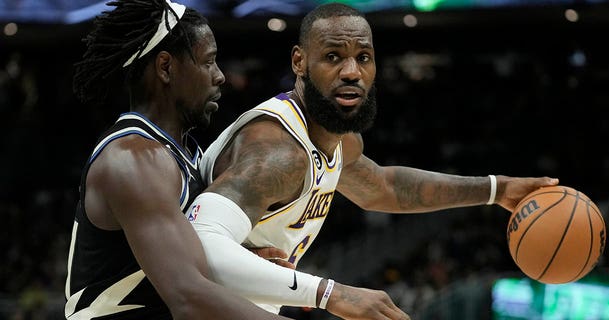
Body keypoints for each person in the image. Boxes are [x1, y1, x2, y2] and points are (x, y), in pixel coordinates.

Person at [187, 2, 559, 319]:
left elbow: (383, 186)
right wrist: (333, 294)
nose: (352, 72)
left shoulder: (336, 140)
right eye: (333, 57)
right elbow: (198, 240)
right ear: (299, 62)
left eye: (362, 57)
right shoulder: (278, 152)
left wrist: (498, 189)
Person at [64, 0, 293, 319]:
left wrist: (240, 264)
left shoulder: (185, 155)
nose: (220, 76)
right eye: (209, 62)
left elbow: (182, 264)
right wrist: (329, 295)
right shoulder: (132, 158)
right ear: (166, 67)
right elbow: (189, 297)